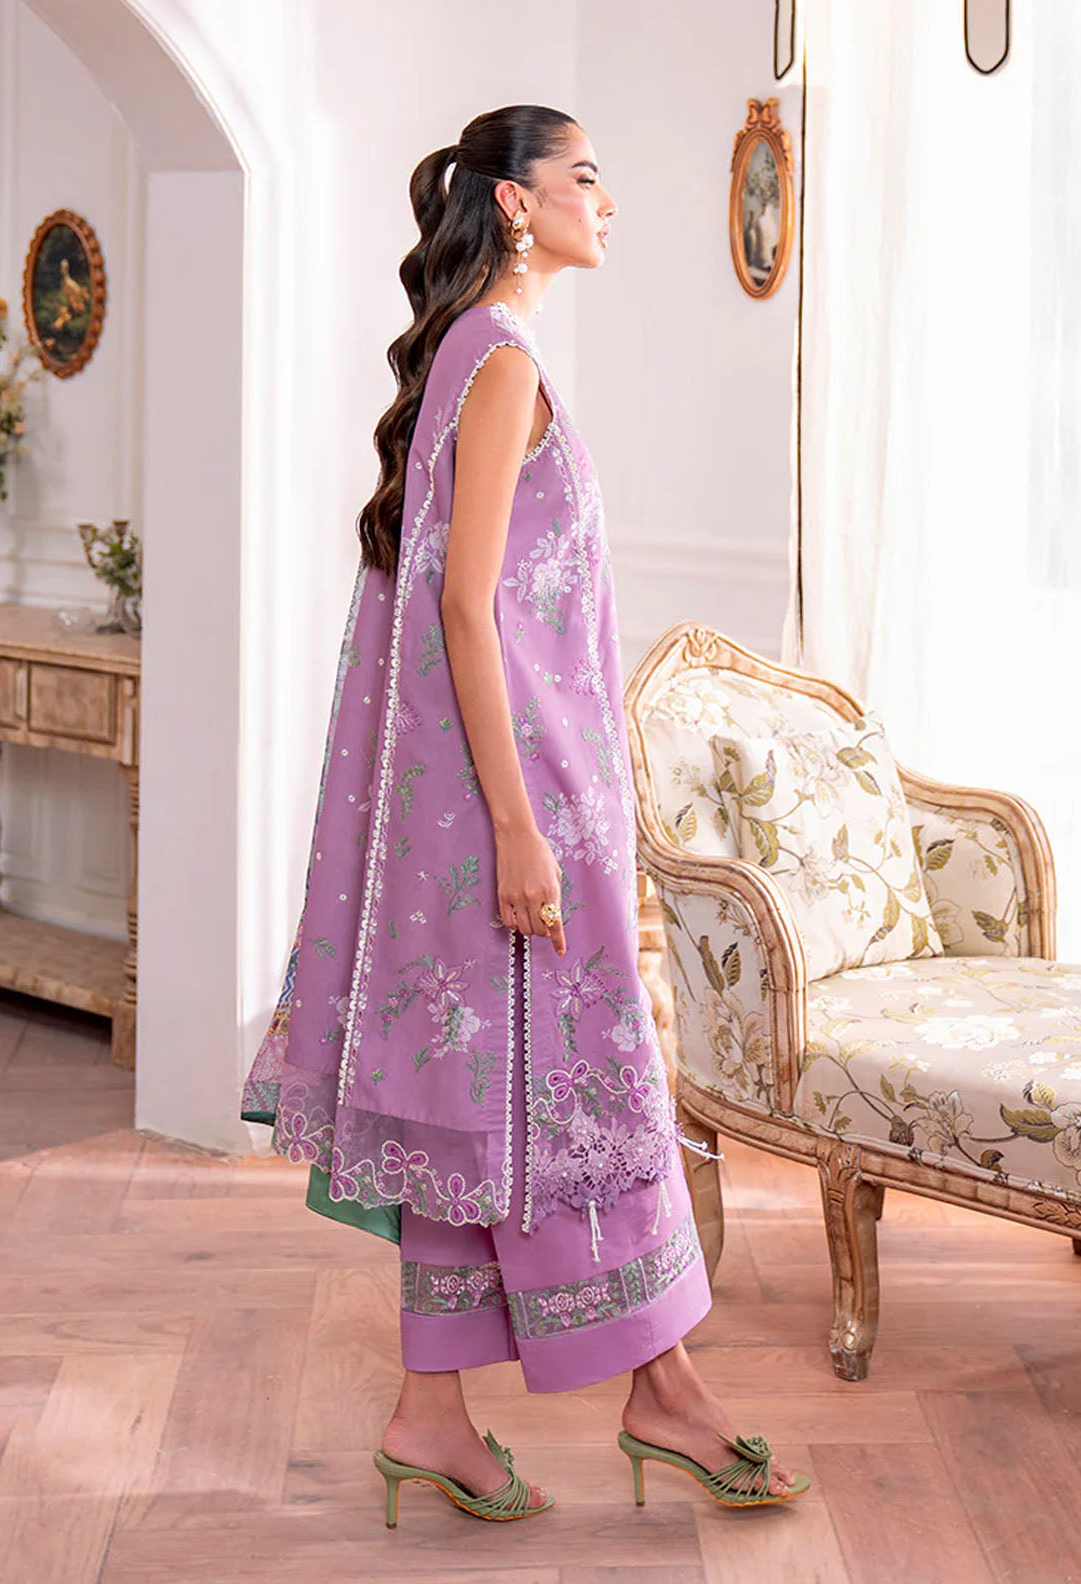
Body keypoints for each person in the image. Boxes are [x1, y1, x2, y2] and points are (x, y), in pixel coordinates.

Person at [241, 103, 810, 1525]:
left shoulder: (467, 354)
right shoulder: (499, 363)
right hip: (520, 801)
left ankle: (430, 1412)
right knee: (586, 1086)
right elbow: (463, 604)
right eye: (585, 177)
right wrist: (516, 825)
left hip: (489, 799)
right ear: (513, 202)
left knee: (477, 1100)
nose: (605, 202)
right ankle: (665, 1392)